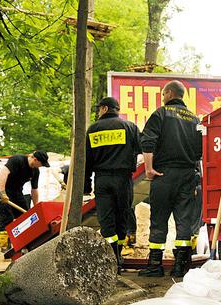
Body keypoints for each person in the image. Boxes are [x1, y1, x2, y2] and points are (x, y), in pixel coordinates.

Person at [139, 80, 202, 278]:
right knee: (184, 221)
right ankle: (180, 266)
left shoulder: (161, 113)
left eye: (163, 94)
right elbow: (201, 150)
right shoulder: (194, 119)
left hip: (164, 174)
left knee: (159, 220)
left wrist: (149, 169)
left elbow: (148, 141)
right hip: (188, 175)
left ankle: (155, 265)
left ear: (169, 93)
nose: (162, 97)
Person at [84, 96, 141, 273]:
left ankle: (112, 258)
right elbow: (142, 149)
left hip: (101, 180)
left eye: (99, 108)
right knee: (122, 217)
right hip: (123, 179)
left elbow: (86, 160)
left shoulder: (93, 129)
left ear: (106, 108)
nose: (98, 111)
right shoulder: (130, 127)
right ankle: (119, 256)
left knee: (106, 220)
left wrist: (86, 186)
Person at [0, 151, 49, 251]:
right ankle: (5, 247)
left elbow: (34, 189)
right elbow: (3, 173)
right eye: (41, 164)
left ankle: (24, 242)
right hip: (3, 189)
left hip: (17, 191)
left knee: (25, 216)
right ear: (35, 159)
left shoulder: (35, 171)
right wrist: (2, 193)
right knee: (6, 216)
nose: (41, 166)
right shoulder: (18, 160)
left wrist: (36, 206)